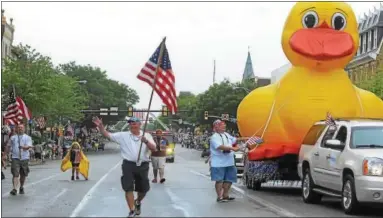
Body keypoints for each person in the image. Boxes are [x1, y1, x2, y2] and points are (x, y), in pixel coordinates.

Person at [93, 116, 157, 217]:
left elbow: (153, 148)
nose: (132, 124)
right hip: (128, 164)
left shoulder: (147, 135)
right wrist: (101, 127)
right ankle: (132, 210)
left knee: (144, 189)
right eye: (130, 123)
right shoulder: (123, 135)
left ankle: (138, 202)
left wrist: (146, 141)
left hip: (142, 165)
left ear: (140, 124)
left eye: (135, 122)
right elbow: (107, 135)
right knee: (128, 188)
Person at [209, 119, 239, 202]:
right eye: (222, 126)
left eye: (224, 126)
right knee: (219, 180)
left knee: (229, 179)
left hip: (229, 162)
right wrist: (233, 148)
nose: (224, 127)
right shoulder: (214, 137)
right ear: (216, 127)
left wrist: (247, 138)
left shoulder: (226, 134)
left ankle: (225, 195)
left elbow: (235, 140)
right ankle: (219, 196)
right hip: (218, 163)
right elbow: (220, 147)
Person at [7, 124, 33, 196]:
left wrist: (23, 147)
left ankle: (21, 187)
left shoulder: (27, 137)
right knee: (15, 174)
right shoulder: (13, 138)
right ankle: (15, 189)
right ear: (16, 129)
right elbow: (8, 146)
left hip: (24, 158)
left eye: (21, 127)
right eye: (18, 127)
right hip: (15, 158)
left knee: (23, 174)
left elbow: (29, 146)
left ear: (24, 129)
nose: (20, 128)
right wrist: (4, 155)